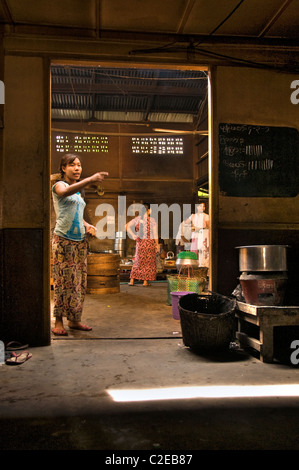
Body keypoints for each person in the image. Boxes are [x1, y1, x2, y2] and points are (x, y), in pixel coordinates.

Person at [51, 153, 108, 336]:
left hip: (79, 242)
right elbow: (63, 193)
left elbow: (77, 214)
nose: (77, 168)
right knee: (62, 281)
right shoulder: (60, 185)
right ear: (63, 168)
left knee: (78, 283)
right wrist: (90, 179)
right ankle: (58, 321)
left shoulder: (78, 192)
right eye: (72, 165)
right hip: (63, 240)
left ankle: (74, 320)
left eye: (79, 165)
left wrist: (87, 224)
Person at [126, 203, 160, 286]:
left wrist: (133, 235)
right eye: (150, 209)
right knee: (148, 262)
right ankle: (145, 282)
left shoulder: (137, 219)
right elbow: (155, 234)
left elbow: (126, 226)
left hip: (140, 243)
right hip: (149, 243)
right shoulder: (152, 220)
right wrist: (157, 245)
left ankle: (132, 281)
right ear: (148, 210)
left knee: (138, 261)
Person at [187, 202, 209, 267]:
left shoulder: (206, 216)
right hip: (195, 236)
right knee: (194, 251)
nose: (202, 208)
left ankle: (203, 267)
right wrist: (191, 226)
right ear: (197, 207)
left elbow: (208, 227)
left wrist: (199, 228)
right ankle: (194, 268)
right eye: (200, 206)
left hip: (203, 236)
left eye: (203, 206)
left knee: (203, 252)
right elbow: (186, 223)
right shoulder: (193, 216)